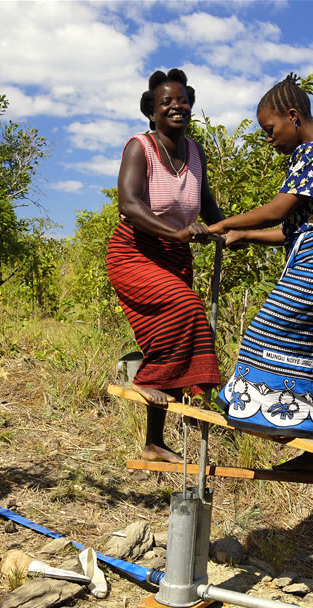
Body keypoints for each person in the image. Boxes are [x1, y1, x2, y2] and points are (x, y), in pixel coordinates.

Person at [209, 74, 313, 473]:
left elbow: (277, 211)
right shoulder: (311, 155)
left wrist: (221, 224)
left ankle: (272, 418)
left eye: (270, 129)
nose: (268, 138)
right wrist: (244, 233)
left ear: (293, 116)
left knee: (266, 331)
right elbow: (288, 230)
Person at [107, 69, 223, 463]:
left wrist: (232, 229)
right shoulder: (140, 147)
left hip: (175, 257)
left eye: (183, 100)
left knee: (178, 337)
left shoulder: (195, 152)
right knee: (186, 308)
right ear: (152, 112)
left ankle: (154, 442)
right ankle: (143, 381)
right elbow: (130, 204)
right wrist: (173, 233)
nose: (177, 106)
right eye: (166, 102)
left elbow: (207, 206)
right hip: (135, 253)